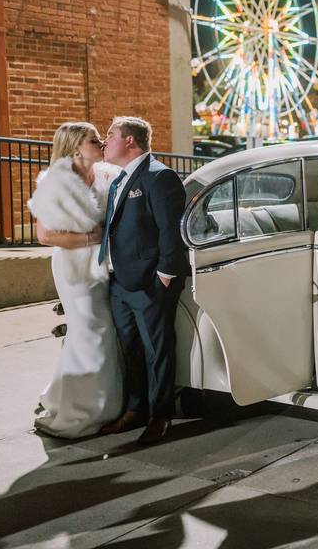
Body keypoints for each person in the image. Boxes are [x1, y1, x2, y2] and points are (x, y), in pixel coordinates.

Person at [27, 122, 123, 438]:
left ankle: (70, 395)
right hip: (74, 267)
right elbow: (44, 235)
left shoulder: (107, 174)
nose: (100, 142)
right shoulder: (56, 181)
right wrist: (88, 239)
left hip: (104, 264)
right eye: (93, 139)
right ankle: (83, 410)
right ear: (75, 147)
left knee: (97, 331)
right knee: (92, 331)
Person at [98, 117, 189, 445]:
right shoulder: (117, 181)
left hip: (150, 284)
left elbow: (171, 230)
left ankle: (160, 416)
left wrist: (164, 276)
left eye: (110, 135)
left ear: (130, 141)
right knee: (131, 350)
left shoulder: (159, 177)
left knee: (157, 350)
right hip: (120, 282)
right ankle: (134, 410)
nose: (104, 141)